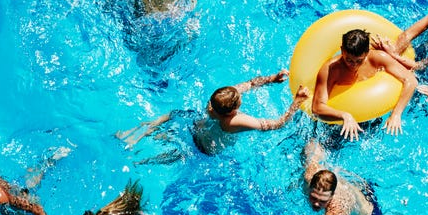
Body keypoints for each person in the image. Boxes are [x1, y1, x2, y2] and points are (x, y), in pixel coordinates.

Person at [116, 69, 309, 155]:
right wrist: (297, 102)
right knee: (172, 151)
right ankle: (142, 146)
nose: (241, 96)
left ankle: (134, 134)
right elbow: (277, 124)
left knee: (173, 115)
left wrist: (272, 79)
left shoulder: (215, 101)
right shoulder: (233, 122)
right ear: (233, 110)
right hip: (204, 149)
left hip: (194, 126)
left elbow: (249, 84)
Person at [311, 29, 418, 140]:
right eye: (349, 60)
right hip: (337, 119)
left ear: (367, 52)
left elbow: (411, 80)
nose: (354, 65)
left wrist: (396, 114)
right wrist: (344, 115)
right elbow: (317, 108)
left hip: (371, 114)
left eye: (359, 61)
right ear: (342, 50)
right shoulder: (330, 70)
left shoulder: (378, 58)